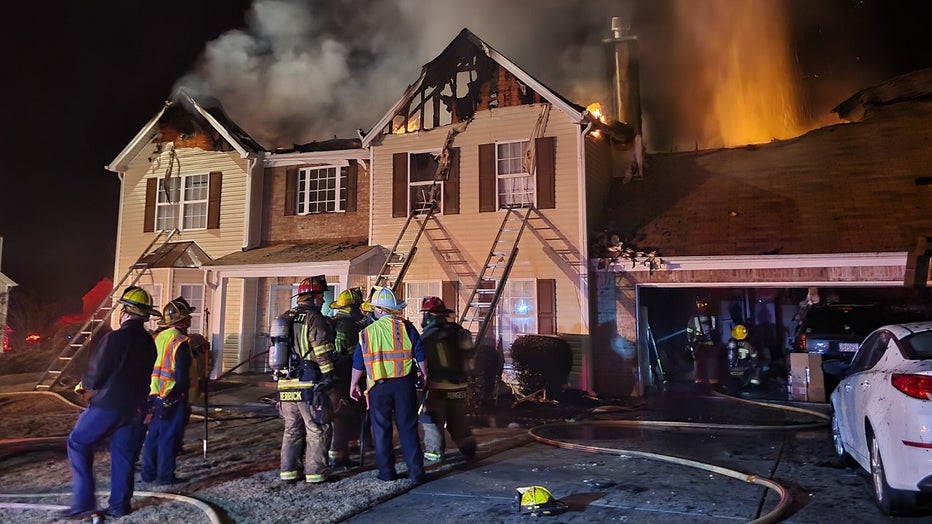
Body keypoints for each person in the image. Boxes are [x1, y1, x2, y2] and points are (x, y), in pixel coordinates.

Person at [58, 286, 159, 519]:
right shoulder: (149, 342)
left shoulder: (114, 338)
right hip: (137, 408)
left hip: (109, 406)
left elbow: (97, 374)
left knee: (77, 442)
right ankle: (119, 506)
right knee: (123, 456)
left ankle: (83, 502)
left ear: (125, 312)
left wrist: (86, 383)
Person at [349, 287, 428, 484]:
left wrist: (353, 384)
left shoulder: (366, 333)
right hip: (404, 384)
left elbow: (358, 362)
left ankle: (387, 473)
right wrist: (425, 375)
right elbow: (420, 353)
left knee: (381, 430)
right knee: (408, 428)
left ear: (380, 309)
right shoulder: (406, 327)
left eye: (375, 308)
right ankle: (416, 473)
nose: (373, 311)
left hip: (378, 387)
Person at [275, 275, 337, 483]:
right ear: (313, 296)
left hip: (285, 384)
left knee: (291, 429)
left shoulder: (285, 317)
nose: (323, 300)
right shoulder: (315, 318)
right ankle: (315, 472)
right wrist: (328, 374)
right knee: (316, 428)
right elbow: (322, 349)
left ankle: (288, 471)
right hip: (308, 385)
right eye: (321, 296)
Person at [141, 297, 194, 485]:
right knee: (169, 438)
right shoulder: (180, 341)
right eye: (188, 316)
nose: (190, 319)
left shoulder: (160, 337)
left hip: (155, 393)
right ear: (182, 320)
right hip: (173, 395)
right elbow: (181, 373)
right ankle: (165, 477)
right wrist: (181, 394)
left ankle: (148, 474)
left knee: (153, 435)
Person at [418, 296, 477, 463]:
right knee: (457, 418)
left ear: (428, 315)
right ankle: (468, 447)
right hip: (459, 386)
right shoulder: (460, 332)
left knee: (431, 420)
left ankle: (434, 454)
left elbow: (422, 362)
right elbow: (469, 356)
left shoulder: (426, 338)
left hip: (438, 387)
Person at [327, 287, 365, 469]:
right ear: (352, 307)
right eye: (358, 307)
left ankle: (342, 453)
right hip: (344, 375)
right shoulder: (347, 325)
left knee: (337, 417)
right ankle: (338, 457)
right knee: (344, 416)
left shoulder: (332, 321)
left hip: (330, 375)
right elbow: (350, 352)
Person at [687, 296, 722, 391]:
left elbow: (717, 331)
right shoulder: (693, 319)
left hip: (711, 344)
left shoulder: (712, 317)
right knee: (699, 363)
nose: (702, 307)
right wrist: (691, 343)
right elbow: (689, 331)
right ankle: (699, 383)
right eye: (700, 305)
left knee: (712, 363)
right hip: (699, 344)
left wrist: (717, 342)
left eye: (704, 304)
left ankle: (714, 383)